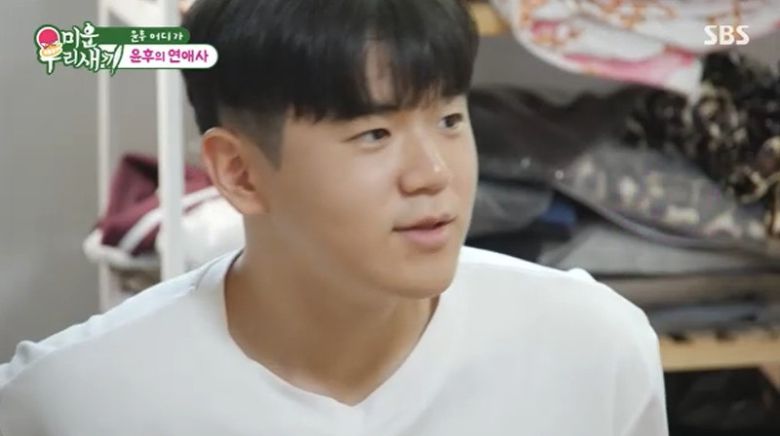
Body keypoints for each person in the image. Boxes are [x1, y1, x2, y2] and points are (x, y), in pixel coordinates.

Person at [0, 0, 668, 434]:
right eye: (374, 134)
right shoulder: (75, 404)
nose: (433, 173)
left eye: (448, 119)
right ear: (240, 172)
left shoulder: (592, 349)